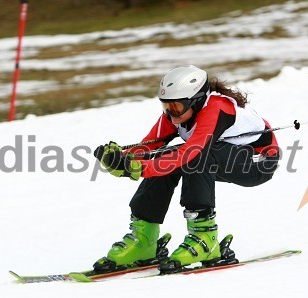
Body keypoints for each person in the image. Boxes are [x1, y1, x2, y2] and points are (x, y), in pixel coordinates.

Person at [93, 65, 280, 273]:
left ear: (196, 100)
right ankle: (144, 239)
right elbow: (151, 145)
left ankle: (204, 238)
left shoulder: (217, 107)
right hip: (221, 155)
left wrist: (139, 168)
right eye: (166, 107)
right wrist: (121, 159)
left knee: (195, 156)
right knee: (165, 157)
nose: (170, 115)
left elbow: (192, 152)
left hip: (258, 162)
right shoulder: (179, 113)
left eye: (175, 108)